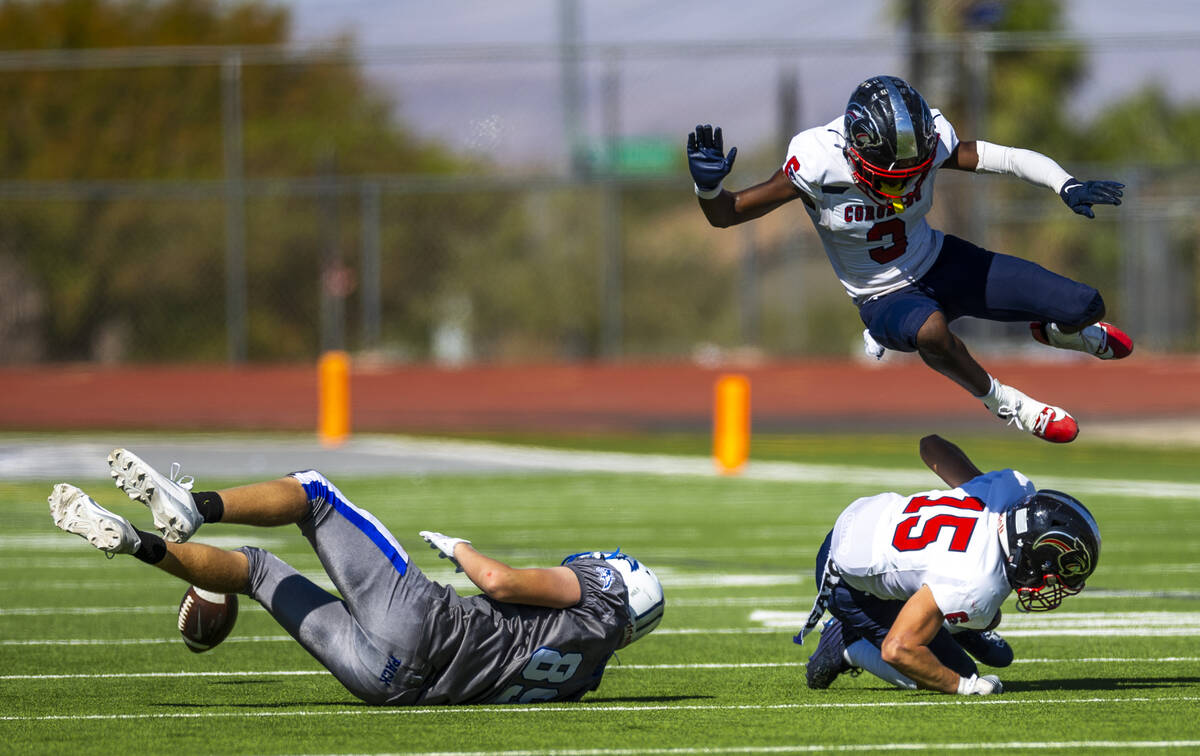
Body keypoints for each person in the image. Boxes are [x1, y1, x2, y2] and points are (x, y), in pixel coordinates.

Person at [687, 74, 1133, 443]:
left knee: (1085, 306)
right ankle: (1008, 405)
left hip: (939, 260)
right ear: (854, 151)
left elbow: (1005, 158)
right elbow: (728, 214)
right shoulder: (817, 163)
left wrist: (1065, 183)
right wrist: (708, 189)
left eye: (911, 175)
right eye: (890, 177)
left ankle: (1056, 332)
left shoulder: (930, 140)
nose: (901, 188)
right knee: (931, 330)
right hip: (881, 295)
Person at [47, 448, 665, 706]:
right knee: (259, 573)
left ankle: (197, 506)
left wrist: (461, 548)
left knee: (313, 493)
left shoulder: (600, 598)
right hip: (389, 685)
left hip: (425, 625)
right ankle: (133, 542)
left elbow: (500, 584)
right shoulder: (586, 673)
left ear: (622, 585)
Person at [794, 434, 1100, 694]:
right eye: (1054, 572)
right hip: (848, 580)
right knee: (952, 670)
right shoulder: (976, 581)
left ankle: (956, 623)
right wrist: (964, 687)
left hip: (873, 517)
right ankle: (845, 644)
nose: (1052, 581)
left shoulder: (1008, 493)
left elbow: (931, 445)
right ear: (1029, 552)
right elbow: (897, 649)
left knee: (992, 643)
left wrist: (977, 488)